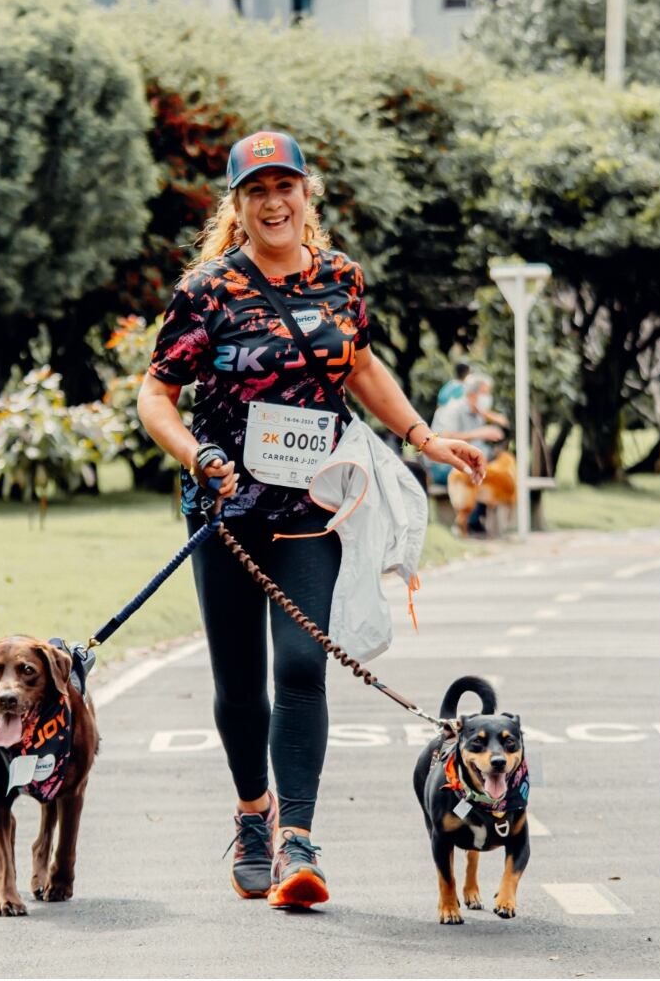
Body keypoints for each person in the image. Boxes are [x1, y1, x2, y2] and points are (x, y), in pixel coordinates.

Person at [137, 130, 486, 907]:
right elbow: (155, 393)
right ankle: (253, 813)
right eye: (256, 190)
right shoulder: (207, 292)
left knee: (300, 664)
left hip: (313, 505)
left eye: (284, 186)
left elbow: (359, 364)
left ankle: (298, 839)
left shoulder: (340, 281)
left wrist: (423, 436)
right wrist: (198, 456)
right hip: (226, 507)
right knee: (238, 679)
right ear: (239, 204)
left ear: (306, 195)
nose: (273, 202)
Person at [428, 372, 505, 534]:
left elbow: (504, 423)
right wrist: (479, 433)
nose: (487, 398)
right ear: (472, 393)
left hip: (466, 465)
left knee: (499, 472)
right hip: (444, 466)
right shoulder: (453, 409)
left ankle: (476, 520)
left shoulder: (478, 414)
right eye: (485, 393)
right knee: (471, 473)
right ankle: (466, 522)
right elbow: (444, 437)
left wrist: (489, 417)